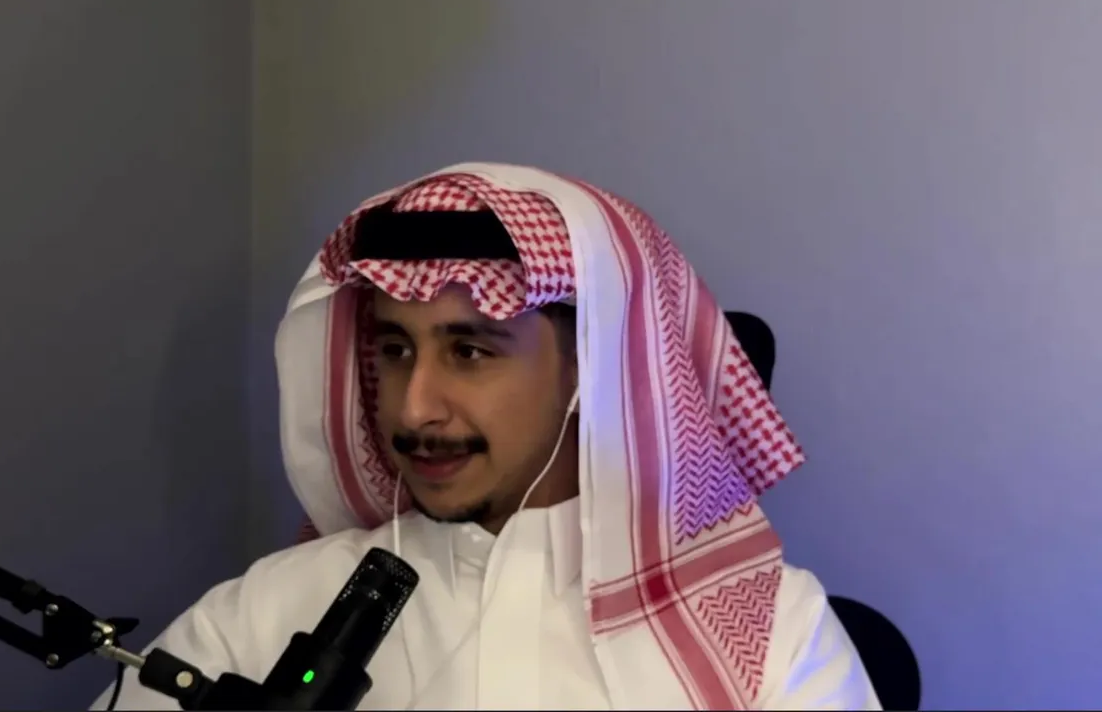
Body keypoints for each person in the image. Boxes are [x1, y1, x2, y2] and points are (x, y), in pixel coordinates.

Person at [91, 163, 879, 710]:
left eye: (470, 352)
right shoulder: (265, 612)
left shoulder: (774, 633)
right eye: (395, 350)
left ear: (594, 369)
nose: (413, 411)